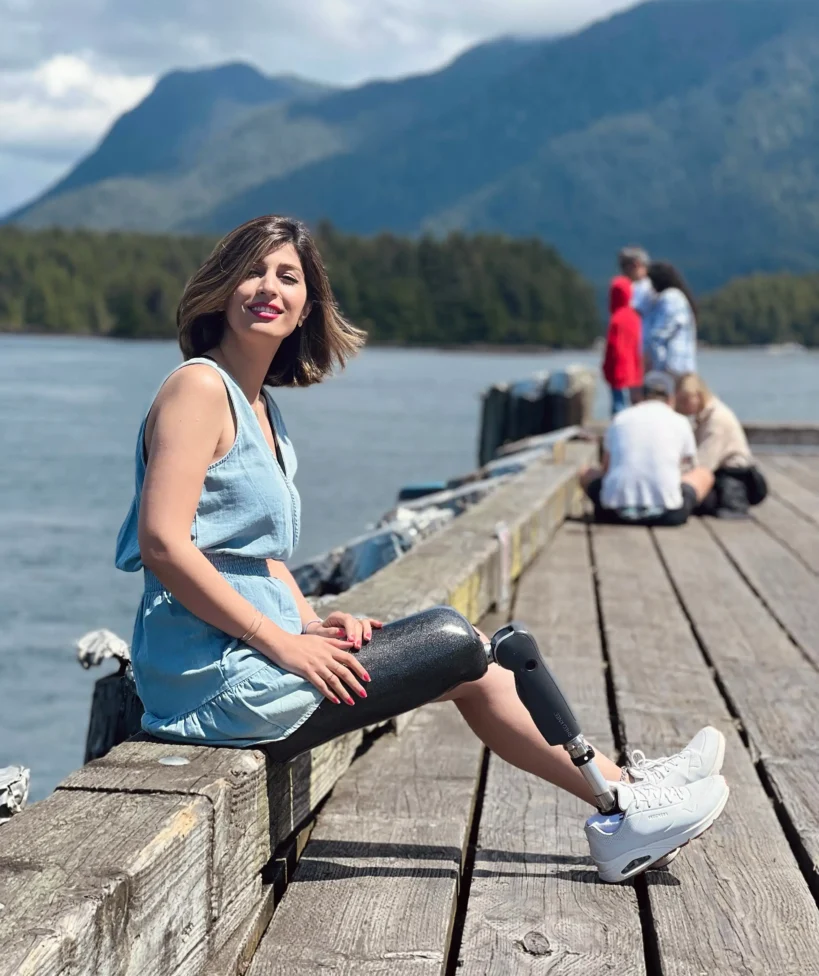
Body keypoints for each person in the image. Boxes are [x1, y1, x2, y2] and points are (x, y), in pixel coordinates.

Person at [115, 214, 728, 883]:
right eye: (252, 271)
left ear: (305, 309)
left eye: (286, 276)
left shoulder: (260, 406)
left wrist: (312, 621)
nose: (267, 287)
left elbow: (258, 556)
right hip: (213, 680)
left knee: (480, 660)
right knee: (451, 641)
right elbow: (164, 545)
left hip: (250, 656)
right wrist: (283, 642)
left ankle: (622, 794)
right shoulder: (199, 387)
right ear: (220, 287)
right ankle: (623, 803)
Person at [581, 371, 714, 525]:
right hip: (668, 514)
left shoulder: (620, 419)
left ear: (640, 397)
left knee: (585, 472)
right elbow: (686, 466)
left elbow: (606, 468)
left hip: (613, 512)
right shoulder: (680, 421)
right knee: (704, 474)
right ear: (671, 399)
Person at [676, 373, 768, 518]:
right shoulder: (706, 416)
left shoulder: (716, 421)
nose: (680, 406)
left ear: (698, 396)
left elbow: (703, 464)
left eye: (684, 400)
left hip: (732, 477)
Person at [642, 261, 697, 376]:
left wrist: (654, 363)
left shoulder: (669, 298)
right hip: (683, 365)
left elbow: (659, 334)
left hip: (670, 366)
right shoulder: (679, 297)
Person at [602, 275, 643, 415]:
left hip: (618, 372)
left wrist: (607, 368)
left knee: (618, 407)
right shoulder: (636, 317)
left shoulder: (617, 319)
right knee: (634, 407)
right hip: (635, 372)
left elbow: (613, 347)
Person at [618, 246, 653, 315]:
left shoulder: (651, 287)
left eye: (624, 265)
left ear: (636, 264)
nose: (622, 270)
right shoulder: (629, 286)